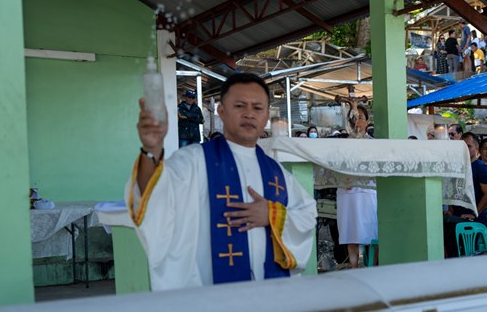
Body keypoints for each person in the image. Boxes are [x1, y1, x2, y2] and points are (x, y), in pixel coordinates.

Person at [130, 73, 317, 290]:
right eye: (240, 106)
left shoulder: (277, 173)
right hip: (207, 299)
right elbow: (152, 199)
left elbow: (307, 214)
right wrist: (151, 150)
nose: (249, 114)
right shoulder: (192, 161)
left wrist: (273, 215)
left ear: (266, 116)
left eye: (257, 108)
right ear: (221, 111)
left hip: (268, 297)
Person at [337, 105, 378, 268]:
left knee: (371, 233)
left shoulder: (374, 144)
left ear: (367, 121)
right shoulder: (342, 145)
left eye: (361, 117)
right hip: (348, 191)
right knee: (351, 233)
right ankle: (354, 267)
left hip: (368, 191)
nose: (357, 121)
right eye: (354, 118)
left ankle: (372, 268)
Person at [444, 131, 487, 256]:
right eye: (463, 146)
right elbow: (453, 190)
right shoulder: (457, 166)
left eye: (469, 146)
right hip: (456, 218)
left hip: (474, 222)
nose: (465, 149)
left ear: (476, 148)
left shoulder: (481, 167)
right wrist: (450, 209)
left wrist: (474, 213)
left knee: (471, 257)